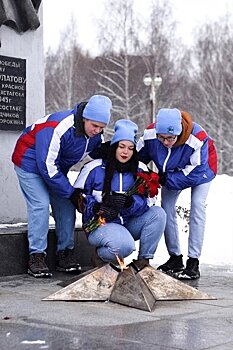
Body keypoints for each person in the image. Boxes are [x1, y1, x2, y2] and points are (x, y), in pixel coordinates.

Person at [12, 95, 112, 278]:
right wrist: (71, 192)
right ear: (84, 118)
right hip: (29, 163)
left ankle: (65, 253)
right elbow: (46, 166)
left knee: (66, 207)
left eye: (101, 127)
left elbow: (86, 150)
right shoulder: (59, 127)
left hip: (54, 168)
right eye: (94, 126)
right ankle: (36, 256)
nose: (97, 131)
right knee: (40, 205)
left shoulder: (94, 134)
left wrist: (106, 151)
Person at [73, 119, 166, 270]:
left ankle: (143, 261)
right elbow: (78, 198)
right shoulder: (94, 167)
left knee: (158, 214)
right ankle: (100, 256)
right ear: (114, 146)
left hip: (129, 223)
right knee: (124, 246)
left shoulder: (140, 169)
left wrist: (130, 202)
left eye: (130, 148)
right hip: (102, 224)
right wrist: (97, 207)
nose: (125, 152)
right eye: (121, 146)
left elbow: (150, 202)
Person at [137, 108, 217, 279]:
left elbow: (196, 171)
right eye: (162, 138)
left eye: (170, 138)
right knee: (166, 208)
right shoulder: (150, 134)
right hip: (172, 171)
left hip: (202, 171)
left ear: (179, 132)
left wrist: (166, 179)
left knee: (197, 206)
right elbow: (137, 158)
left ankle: (193, 261)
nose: (165, 142)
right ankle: (175, 257)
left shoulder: (197, 138)